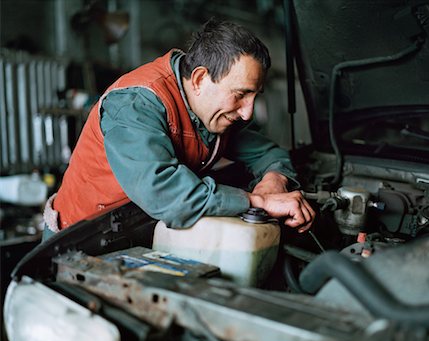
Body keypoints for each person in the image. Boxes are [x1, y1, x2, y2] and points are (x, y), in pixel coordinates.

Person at [42, 18, 315, 241]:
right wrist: (259, 202)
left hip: (140, 236)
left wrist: (274, 180)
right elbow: (165, 194)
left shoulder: (216, 115)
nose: (248, 112)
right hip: (78, 245)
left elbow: (268, 153)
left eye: (255, 97)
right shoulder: (135, 104)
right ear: (199, 79)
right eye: (241, 94)